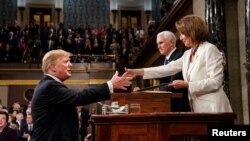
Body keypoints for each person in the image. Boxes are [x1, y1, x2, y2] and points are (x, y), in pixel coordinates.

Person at [123, 15, 232, 113]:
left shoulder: (209, 49)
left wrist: (187, 85)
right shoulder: (187, 53)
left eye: (182, 33)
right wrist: (138, 72)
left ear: (192, 31)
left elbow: (216, 82)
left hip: (215, 108)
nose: (180, 38)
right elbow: (167, 69)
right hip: (198, 109)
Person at [30, 49, 132, 141]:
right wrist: (110, 85)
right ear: (53, 67)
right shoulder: (50, 86)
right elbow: (79, 97)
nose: (70, 65)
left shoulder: (49, 85)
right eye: (66, 62)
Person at [155, 31, 190, 112]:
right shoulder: (166, 59)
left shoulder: (179, 56)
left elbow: (173, 85)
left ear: (171, 42)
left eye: (161, 43)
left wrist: (159, 90)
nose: (158, 46)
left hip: (179, 107)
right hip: (169, 105)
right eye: (157, 44)